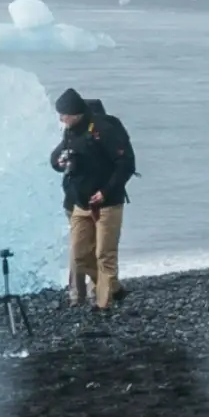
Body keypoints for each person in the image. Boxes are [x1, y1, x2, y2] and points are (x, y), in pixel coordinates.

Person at [50, 88, 135, 311]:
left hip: (108, 203)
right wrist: (58, 162)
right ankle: (112, 288)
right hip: (80, 203)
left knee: (104, 255)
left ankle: (103, 305)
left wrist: (106, 192)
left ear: (76, 113)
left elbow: (126, 164)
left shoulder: (103, 130)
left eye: (63, 114)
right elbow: (57, 157)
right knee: (80, 256)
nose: (61, 119)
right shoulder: (70, 132)